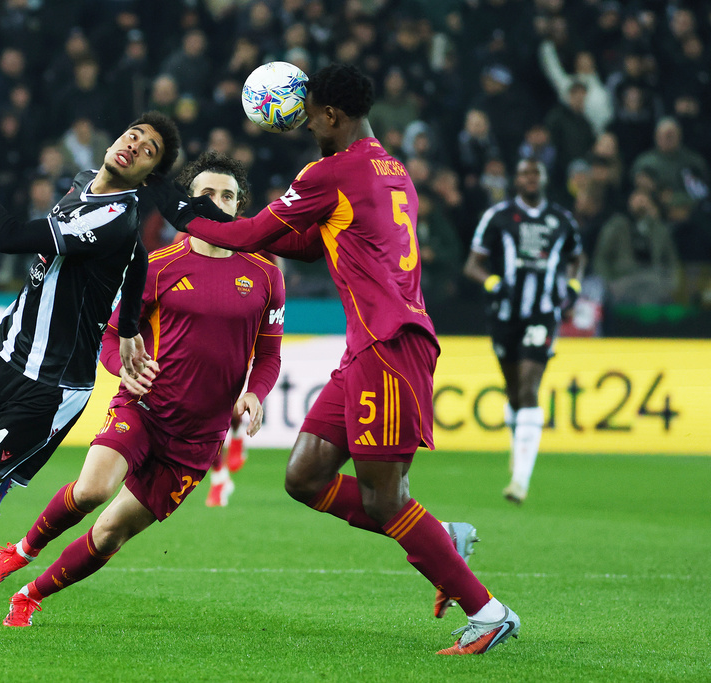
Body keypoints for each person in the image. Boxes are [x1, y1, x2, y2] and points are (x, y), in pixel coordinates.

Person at [143, 63, 519, 655]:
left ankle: (489, 612)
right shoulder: (391, 170)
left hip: (390, 345)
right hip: (369, 347)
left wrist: (170, 198)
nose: (302, 120)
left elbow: (247, 237)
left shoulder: (332, 170)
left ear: (333, 116)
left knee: (383, 498)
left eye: (310, 111)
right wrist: (250, 226)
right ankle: (441, 540)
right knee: (305, 476)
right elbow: (312, 243)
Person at [0, 111, 181, 641]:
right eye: (132, 135)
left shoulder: (114, 215)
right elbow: (137, 258)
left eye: (149, 150)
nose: (134, 146)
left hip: (49, 385)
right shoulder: (81, 189)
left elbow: (5, 237)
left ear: (147, 176)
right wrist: (132, 324)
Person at [0, 150, 285, 626]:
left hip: (198, 438)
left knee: (111, 533)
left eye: (227, 195)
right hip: (144, 409)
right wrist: (124, 369)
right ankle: (21, 549)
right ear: (189, 203)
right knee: (95, 490)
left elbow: (269, 354)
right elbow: (111, 334)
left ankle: (30, 596)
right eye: (206, 193)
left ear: (240, 207)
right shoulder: (158, 265)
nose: (217, 201)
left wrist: (256, 394)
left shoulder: (265, 276)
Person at [463, 158, 583, 505]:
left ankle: (520, 481)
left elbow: (577, 256)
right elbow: (473, 263)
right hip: (504, 314)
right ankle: (518, 449)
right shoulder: (498, 217)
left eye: (536, 173)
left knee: (529, 388)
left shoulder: (562, 219)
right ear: (516, 180)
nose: (530, 178)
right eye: (525, 173)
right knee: (514, 392)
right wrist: (492, 282)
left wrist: (572, 284)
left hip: (543, 313)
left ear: (544, 178)